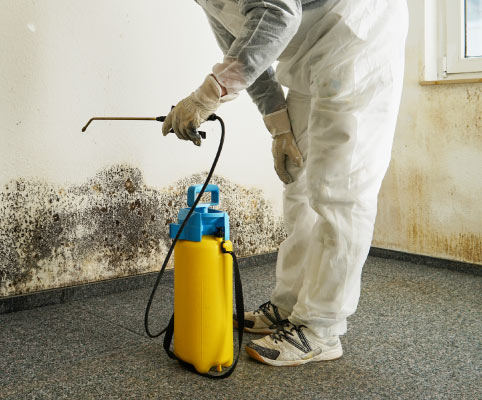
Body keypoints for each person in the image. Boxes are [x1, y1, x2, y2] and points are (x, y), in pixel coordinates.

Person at [162, 0, 408, 366]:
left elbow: (277, 12)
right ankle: (289, 304)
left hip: (357, 37)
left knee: (339, 191)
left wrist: (207, 95)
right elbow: (245, 52)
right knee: (298, 182)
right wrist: (279, 128)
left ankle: (322, 328)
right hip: (308, 53)